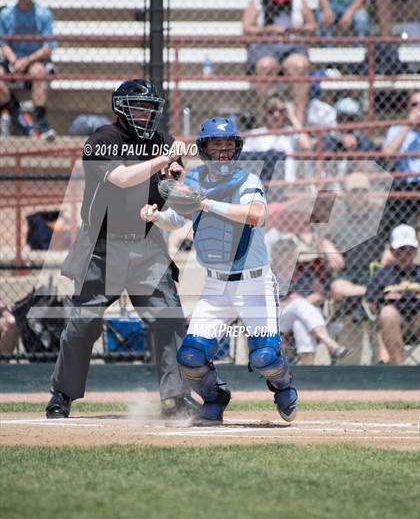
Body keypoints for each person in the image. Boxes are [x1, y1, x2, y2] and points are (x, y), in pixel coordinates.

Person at [45, 79, 198, 419]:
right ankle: (62, 394)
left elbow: (180, 168)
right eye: (139, 108)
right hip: (102, 245)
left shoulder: (161, 142)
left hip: (147, 246)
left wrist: (177, 174)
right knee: (84, 321)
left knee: (168, 316)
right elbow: (123, 178)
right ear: (121, 109)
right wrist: (165, 159)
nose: (146, 115)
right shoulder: (102, 140)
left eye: (150, 109)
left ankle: (175, 397)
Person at [141, 117, 298, 425]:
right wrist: (155, 216)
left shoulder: (247, 180)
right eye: (216, 145)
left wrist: (206, 203)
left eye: (228, 145)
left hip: (254, 284)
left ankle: (283, 385)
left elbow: (256, 215)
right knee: (191, 357)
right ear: (204, 149)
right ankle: (215, 397)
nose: (223, 151)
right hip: (215, 286)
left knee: (264, 358)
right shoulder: (195, 180)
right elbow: (176, 218)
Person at [242, 0, 316, 125]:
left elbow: (311, 26)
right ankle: (265, 119)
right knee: (265, 65)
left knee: (300, 65)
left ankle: (299, 122)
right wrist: (269, 30)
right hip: (265, 47)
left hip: (292, 47)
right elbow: (247, 28)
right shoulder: (259, 1)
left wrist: (297, 29)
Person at [267, 232, 350, 365]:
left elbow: (320, 295)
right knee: (299, 304)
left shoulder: (306, 274)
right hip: (278, 320)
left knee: (300, 322)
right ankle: (331, 344)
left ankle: (307, 370)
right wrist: (292, 303)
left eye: (290, 253)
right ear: (275, 257)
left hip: (306, 320)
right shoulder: (270, 278)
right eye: (282, 253)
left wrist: (301, 302)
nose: (287, 257)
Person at [0, 0, 57, 139]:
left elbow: (48, 48)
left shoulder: (43, 13)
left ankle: (41, 123)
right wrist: (14, 60)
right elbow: (3, 44)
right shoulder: (6, 14)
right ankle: (18, 116)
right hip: (14, 60)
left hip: (34, 60)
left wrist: (27, 60)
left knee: (39, 71)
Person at [319, 173, 388, 307]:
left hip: (373, 272)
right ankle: (366, 292)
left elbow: (393, 238)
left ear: (369, 193)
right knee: (337, 288)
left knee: (387, 285)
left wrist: (389, 250)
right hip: (347, 273)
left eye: (363, 191)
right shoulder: (339, 217)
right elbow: (324, 238)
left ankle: (361, 293)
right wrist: (328, 247)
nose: (359, 195)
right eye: (354, 191)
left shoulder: (379, 216)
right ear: (347, 195)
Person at [365, 224, 419, 365]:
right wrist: (383, 300)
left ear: (415, 252)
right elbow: (370, 303)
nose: (404, 255)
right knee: (388, 312)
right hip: (395, 324)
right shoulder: (383, 274)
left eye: (409, 251)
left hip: (417, 321)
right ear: (392, 251)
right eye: (400, 250)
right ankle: (400, 369)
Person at [242, 91, 312, 182]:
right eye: (271, 111)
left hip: (286, 185)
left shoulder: (290, 132)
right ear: (265, 113)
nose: (276, 115)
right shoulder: (255, 134)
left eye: (281, 111)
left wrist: (292, 116)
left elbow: (307, 146)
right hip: (262, 185)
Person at [382, 90, 420, 226]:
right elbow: (387, 154)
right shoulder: (397, 129)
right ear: (408, 108)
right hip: (405, 184)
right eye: (414, 105)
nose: (418, 110)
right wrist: (408, 126)